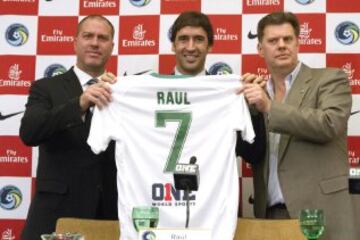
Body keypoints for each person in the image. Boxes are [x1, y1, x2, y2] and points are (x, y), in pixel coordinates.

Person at [242, 11, 358, 239]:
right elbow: (250, 150)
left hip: (320, 213)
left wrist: (269, 107)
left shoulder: (330, 79)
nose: (282, 45)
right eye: (273, 41)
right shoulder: (257, 93)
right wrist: (248, 108)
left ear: (298, 43)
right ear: (260, 49)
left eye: (288, 39)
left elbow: (329, 124)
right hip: (269, 216)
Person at [20, 15, 118, 240]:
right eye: (88, 36)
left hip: (109, 214)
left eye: (102, 38)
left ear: (111, 47)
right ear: (75, 42)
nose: (95, 43)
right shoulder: (45, 88)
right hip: (56, 214)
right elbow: (30, 132)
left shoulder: (121, 91)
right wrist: (80, 103)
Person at [169, 11, 266, 164]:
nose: (191, 47)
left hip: (215, 187)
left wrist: (252, 110)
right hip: (163, 186)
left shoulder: (229, 93)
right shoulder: (149, 94)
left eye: (199, 39)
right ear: (173, 46)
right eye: (183, 39)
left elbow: (253, 154)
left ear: (210, 46)